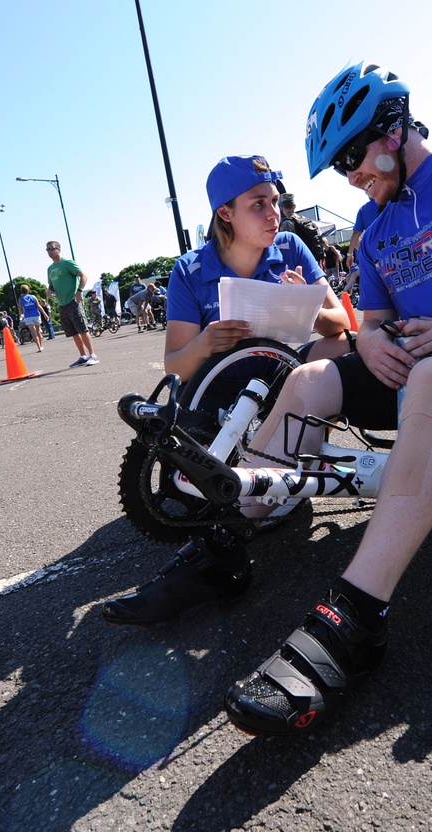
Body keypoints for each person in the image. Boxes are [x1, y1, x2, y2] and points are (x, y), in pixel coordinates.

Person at [112, 63, 432, 737]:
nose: (350, 177)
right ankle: (225, 542)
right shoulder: (371, 223)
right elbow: (374, 321)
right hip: (422, 372)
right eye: (339, 167)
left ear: (392, 129)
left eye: (352, 159)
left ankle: (357, 616)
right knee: (308, 380)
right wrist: (371, 343)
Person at [102, 153, 352, 626]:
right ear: (226, 213)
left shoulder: (291, 247)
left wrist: (307, 306)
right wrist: (205, 342)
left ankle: (281, 456)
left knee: (340, 347)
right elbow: (175, 363)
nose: (274, 213)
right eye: (259, 204)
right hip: (219, 397)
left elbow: (341, 323)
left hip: (281, 381)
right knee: (199, 482)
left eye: (275, 201)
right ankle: (255, 473)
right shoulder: (190, 269)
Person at [45, 240, 99, 367]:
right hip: (62, 304)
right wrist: (49, 291)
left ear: (59, 249)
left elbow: (83, 275)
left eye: (52, 249)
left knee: (82, 329)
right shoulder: (50, 269)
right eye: (47, 249)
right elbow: (51, 285)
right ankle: (83, 356)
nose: (49, 252)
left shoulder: (67, 263)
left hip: (73, 301)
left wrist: (79, 291)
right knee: (73, 332)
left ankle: (93, 355)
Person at [343, 198, 383, 296]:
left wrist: (349, 254)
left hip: (376, 252)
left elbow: (356, 232)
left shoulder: (364, 209)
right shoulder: (393, 201)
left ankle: (347, 291)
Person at [279, 192, 325, 265]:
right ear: (294, 206)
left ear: (281, 208)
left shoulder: (286, 224)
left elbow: (284, 248)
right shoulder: (306, 220)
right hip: (312, 260)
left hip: (298, 262)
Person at [19, 284, 49, 352]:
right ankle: (41, 345)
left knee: (33, 332)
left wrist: (21, 316)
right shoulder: (33, 297)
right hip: (36, 314)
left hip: (28, 316)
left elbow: (20, 308)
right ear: (28, 289)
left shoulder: (20, 299)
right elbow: (38, 306)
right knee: (38, 331)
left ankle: (38, 347)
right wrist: (45, 314)